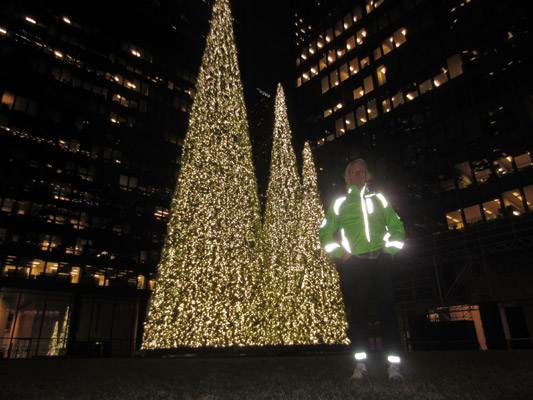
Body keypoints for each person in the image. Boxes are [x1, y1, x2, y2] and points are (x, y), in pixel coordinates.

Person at [319, 159, 405, 380]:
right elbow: (325, 233)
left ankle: (394, 366)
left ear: (367, 175)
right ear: (347, 177)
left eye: (362, 171)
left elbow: (397, 227)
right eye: (354, 172)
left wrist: (389, 250)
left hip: (380, 261)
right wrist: (341, 253)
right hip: (355, 264)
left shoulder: (379, 199)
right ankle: (360, 365)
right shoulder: (340, 203)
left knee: (387, 311)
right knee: (358, 313)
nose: (358, 175)